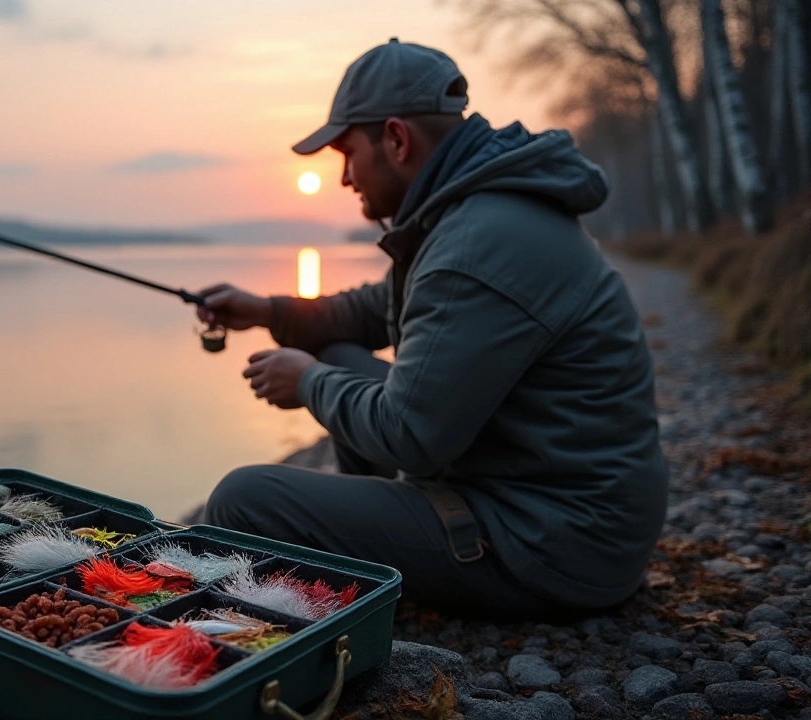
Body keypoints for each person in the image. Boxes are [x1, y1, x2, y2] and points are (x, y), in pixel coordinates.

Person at [197, 39, 667, 617]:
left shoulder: (474, 244)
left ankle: (303, 615)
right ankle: (377, 548)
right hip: (550, 504)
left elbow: (411, 436)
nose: (345, 177)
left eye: (348, 153)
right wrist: (268, 311)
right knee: (339, 351)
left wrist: (309, 383)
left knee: (243, 500)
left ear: (396, 140)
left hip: (556, 547)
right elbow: (377, 308)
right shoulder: (479, 214)